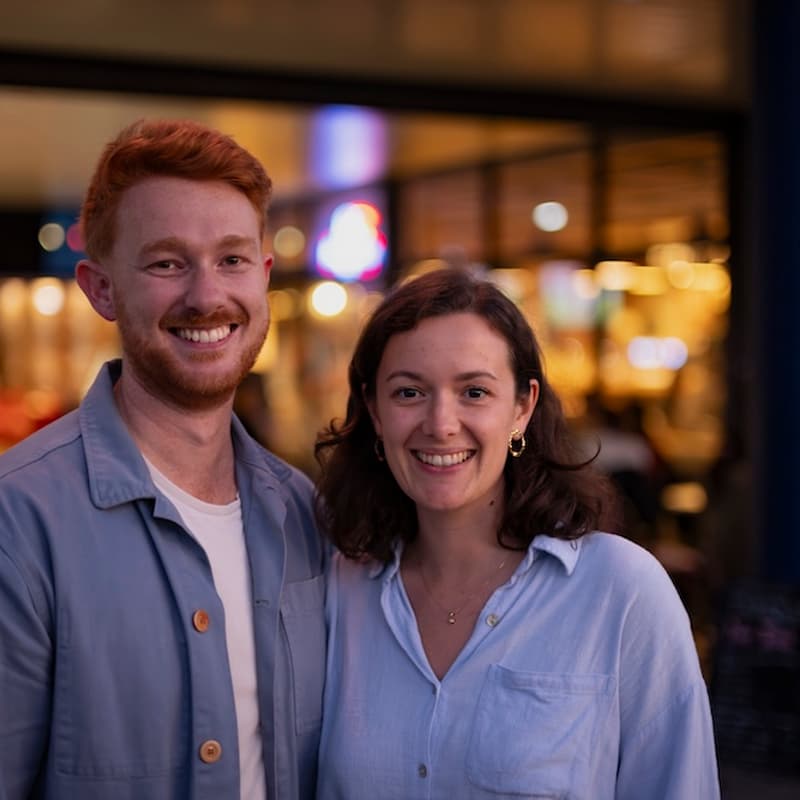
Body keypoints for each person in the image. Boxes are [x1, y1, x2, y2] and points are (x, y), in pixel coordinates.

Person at [0, 119, 325, 800]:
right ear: (102, 289)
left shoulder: (306, 515)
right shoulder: (18, 521)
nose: (207, 296)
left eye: (232, 259)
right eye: (167, 263)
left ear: (263, 279)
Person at [314, 268, 720, 799]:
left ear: (522, 408)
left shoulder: (620, 591)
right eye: (409, 391)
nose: (441, 423)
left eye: (474, 392)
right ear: (374, 409)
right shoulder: (335, 590)